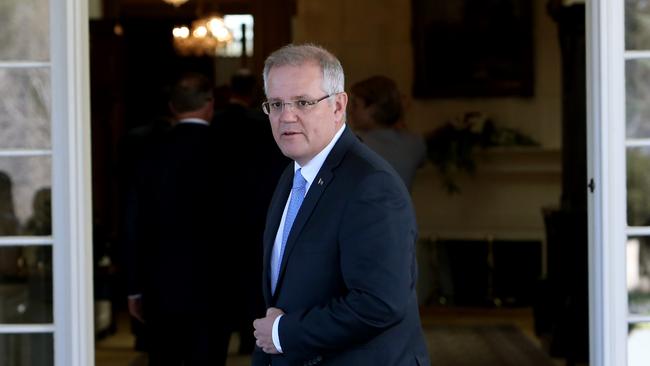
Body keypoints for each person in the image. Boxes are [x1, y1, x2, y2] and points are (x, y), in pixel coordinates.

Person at [252, 44, 430, 366]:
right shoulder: (292, 174)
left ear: (338, 106)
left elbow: (379, 304)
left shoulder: (371, 185)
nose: (286, 116)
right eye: (276, 104)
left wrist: (282, 333)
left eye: (303, 102)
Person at [125, 72, 233, 365]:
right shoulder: (230, 152)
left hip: (161, 284)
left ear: (173, 107)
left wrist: (133, 286)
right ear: (210, 104)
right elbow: (244, 222)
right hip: (218, 282)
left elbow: (133, 222)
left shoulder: (148, 152)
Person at [212, 70, 289, 355]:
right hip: (258, 213)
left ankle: (222, 337)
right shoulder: (262, 125)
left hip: (218, 217)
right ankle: (250, 339)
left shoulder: (214, 124)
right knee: (254, 280)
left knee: (223, 281)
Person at [348, 75, 426, 191]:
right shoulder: (415, 144)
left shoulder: (354, 144)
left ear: (373, 108)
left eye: (355, 105)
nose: (350, 111)